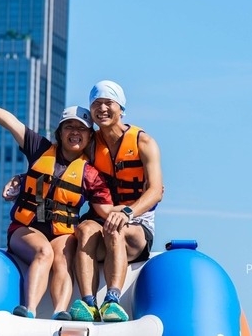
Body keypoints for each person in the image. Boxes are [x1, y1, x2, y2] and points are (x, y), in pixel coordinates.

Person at [0, 83, 113, 321]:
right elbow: (11, 123)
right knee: (44, 251)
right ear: (60, 132)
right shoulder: (40, 149)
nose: (75, 132)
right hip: (26, 229)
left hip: (62, 233)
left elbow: (106, 209)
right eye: (69, 127)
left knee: (64, 257)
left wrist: (137, 208)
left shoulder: (91, 174)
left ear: (89, 136)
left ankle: (60, 312)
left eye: (81, 129)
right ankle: (29, 310)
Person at [68, 80, 163, 322]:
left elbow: (155, 191)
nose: (102, 108)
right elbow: (57, 159)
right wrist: (20, 179)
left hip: (136, 223)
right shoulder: (91, 144)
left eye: (108, 102)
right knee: (84, 229)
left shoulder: (143, 142)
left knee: (114, 227)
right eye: (96, 103)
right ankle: (88, 303)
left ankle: (112, 300)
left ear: (121, 108)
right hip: (101, 218)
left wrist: (126, 212)